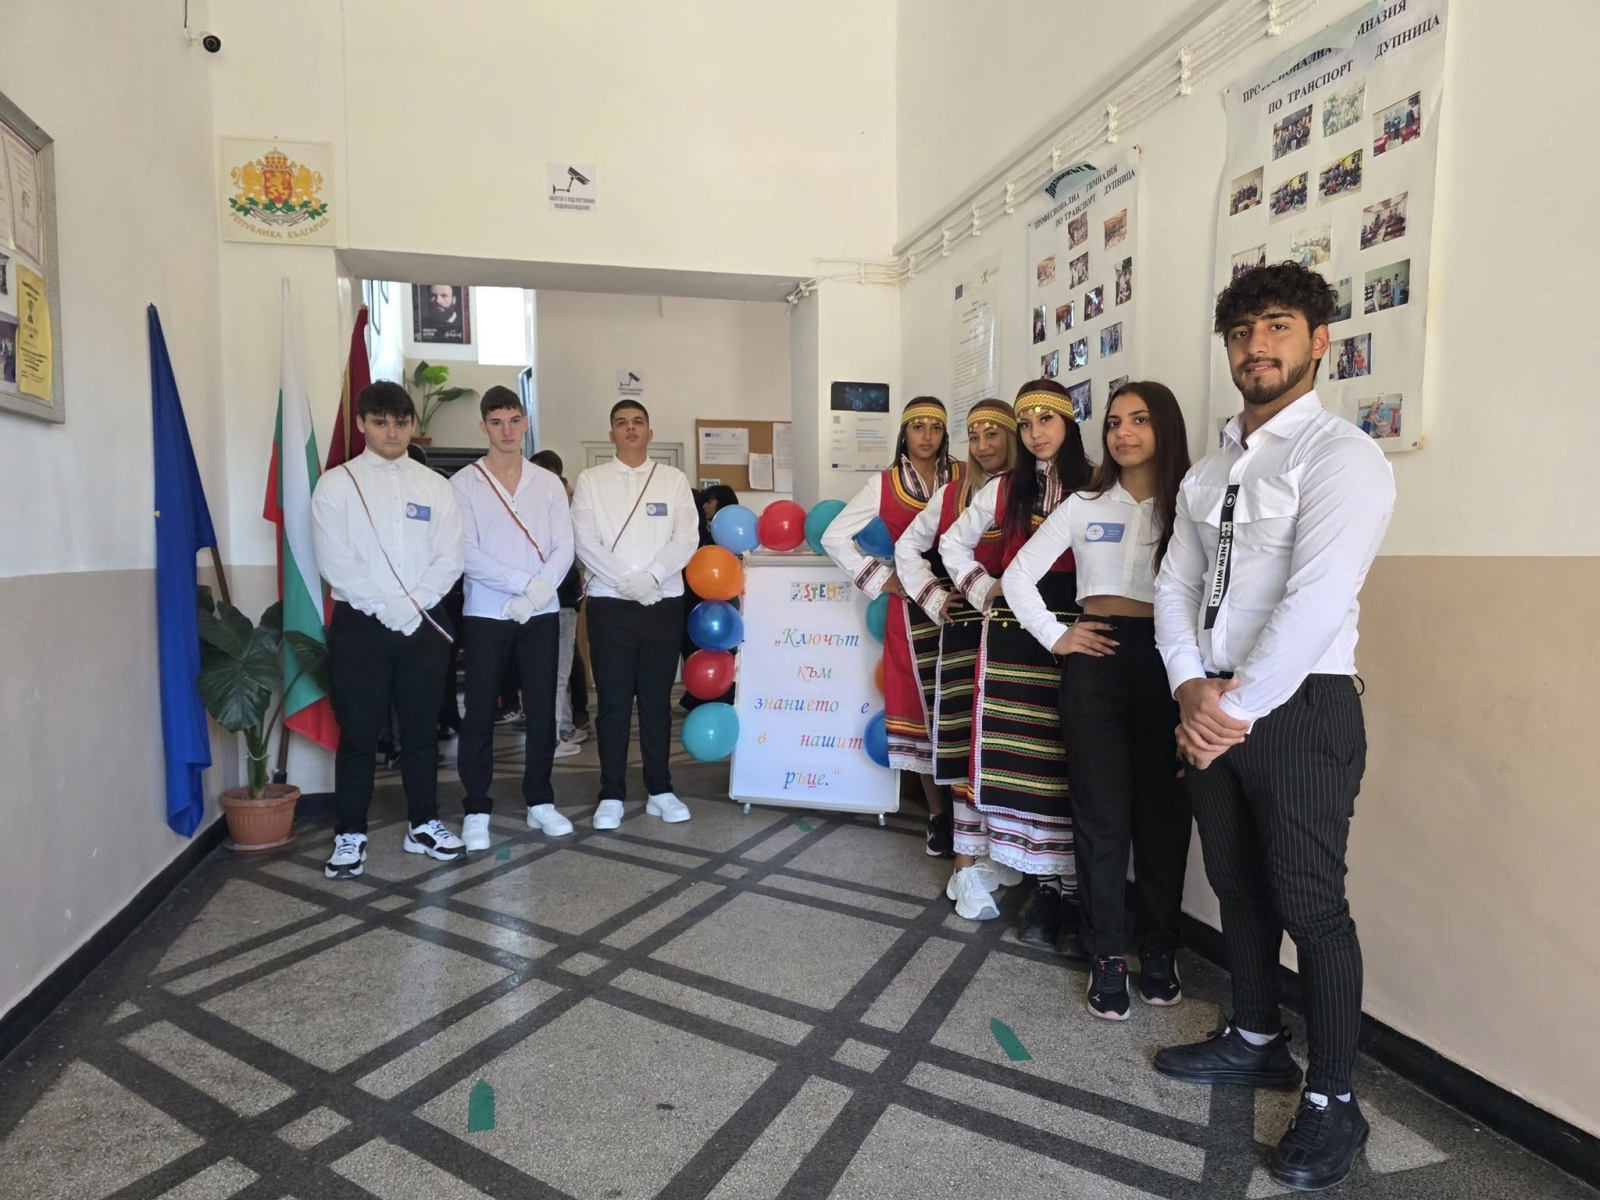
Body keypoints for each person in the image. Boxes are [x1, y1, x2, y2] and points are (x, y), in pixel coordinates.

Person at [1151, 261, 1395, 1192]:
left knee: (1311, 904)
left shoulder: (1342, 457)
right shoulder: (1209, 471)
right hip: (1212, 704)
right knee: (1236, 886)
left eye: (1278, 326)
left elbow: (1317, 598)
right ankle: (1256, 1038)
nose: (1257, 346)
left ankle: (1335, 1100)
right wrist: (1189, 688)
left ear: (1319, 340)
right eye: (1242, 332)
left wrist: (1229, 709)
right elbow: (1175, 585)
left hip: (1301, 708)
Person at [1004, 382, 1193, 1021]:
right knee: (1100, 816)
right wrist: (1057, 636)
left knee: (1164, 817)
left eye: (1139, 420)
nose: (1123, 433)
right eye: (1114, 422)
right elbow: (1017, 576)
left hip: (1170, 664)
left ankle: (1160, 948)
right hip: (1097, 661)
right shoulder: (1084, 503)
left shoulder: (1191, 501)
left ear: (1165, 428)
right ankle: (1107, 953)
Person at [941, 379, 1092, 953]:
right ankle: (1046, 887)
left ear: (1068, 422)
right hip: (1013, 639)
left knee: (1068, 756)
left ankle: (1074, 890)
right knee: (1022, 760)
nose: (1034, 433)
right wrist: (986, 588)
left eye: (1045, 420)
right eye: (1025, 424)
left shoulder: (1095, 482)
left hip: (1078, 632)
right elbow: (952, 545)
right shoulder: (1005, 488)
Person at [310, 380, 465, 878]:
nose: (392, 432)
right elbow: (336, 561)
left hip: (422, 620)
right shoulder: (336, 485)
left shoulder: (435, 486)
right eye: (380, 422)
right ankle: (350, 833)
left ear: (412, 425)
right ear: (361, 424)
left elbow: (450, 557)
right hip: (362, 624)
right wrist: (385, 606)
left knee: (421, 732)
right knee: (359, 733)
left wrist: (412, 603)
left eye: (400, 423)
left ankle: (423, 823)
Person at [895, 399, 1026, 918]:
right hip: (968, 636)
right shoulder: (952, 495)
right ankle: (964, 865)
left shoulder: (1031, 491)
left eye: (994, 434)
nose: (984, 445)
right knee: (964, 745)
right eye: (974, 436)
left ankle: (995, 851)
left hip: (1018, 640)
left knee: (1005, 746)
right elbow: (907, 548)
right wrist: (934, 596)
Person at [821, 397, 958, 855]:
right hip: (911, 609)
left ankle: (970, 816)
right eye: (917, 426)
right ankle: (938, 815)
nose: (926, 436)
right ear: (904, 432)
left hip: (962, 600)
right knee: (920, 709)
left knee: (960, 705)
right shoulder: (884, 484)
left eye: (935, 427)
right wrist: (882, 579)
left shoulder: (964, 475)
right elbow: (833, 536)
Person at [452, 388, 577, 849]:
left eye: (513, 420)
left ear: (525, 423)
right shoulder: (463, 483)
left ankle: (540, 799)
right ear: (483, 426)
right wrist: (524, 585)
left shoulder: (547, 483)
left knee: (542, 708)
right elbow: (466, 552)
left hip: (541, 613)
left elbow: (565, 544)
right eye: (496, 421)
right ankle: (476, 808)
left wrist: (539, 591)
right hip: (487, 611)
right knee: (479, 711)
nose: (506, 430)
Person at [571, 400, 700, 828]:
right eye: (622, 423)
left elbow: (687, 537)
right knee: (612, 702)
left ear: (650, 432)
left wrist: (653, 576)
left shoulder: (673, 480)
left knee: (656, 702)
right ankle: (611, 792)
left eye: (638, 422)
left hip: (662, 603)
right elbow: (584, 540)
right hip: (610, 605)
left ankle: (660, 789)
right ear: (611, 434)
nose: (630, 428)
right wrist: (627, 580)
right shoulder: (591, 480)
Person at [531, 449, 586, 756]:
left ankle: (560, 727)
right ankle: (552, 734)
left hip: (561, 600)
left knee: (559, 670)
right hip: (542, 600)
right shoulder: (545, 506)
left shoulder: (562, 505)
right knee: (554, 671)